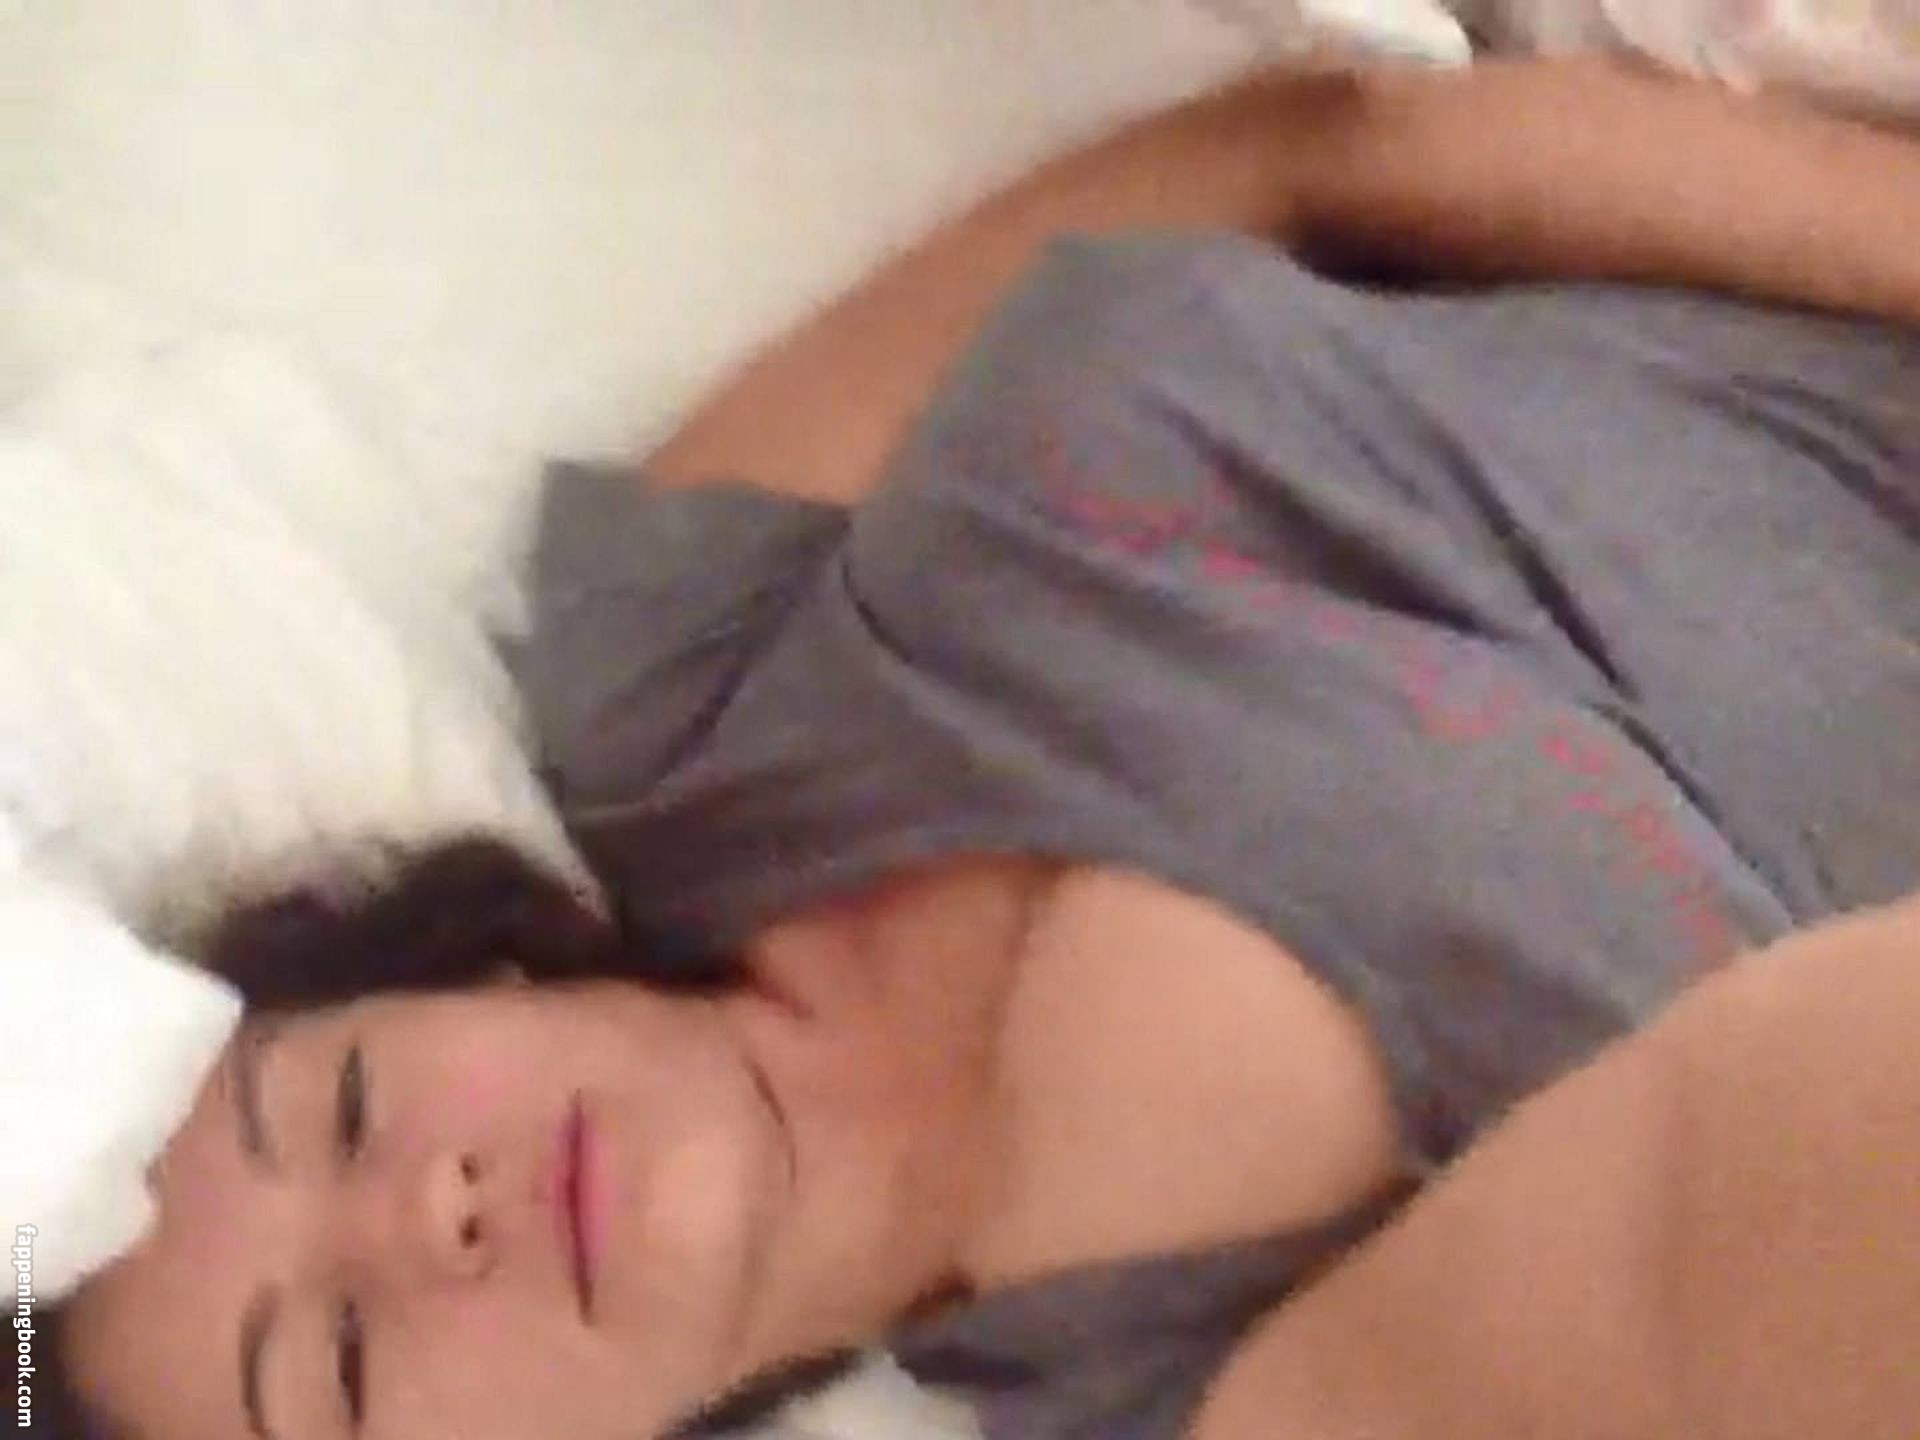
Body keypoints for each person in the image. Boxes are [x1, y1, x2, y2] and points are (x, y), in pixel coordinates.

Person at [43, 53, 1920, 1440]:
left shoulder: (670, 675)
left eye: (349, 1107)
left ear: (471, 980)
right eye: (342, 1362)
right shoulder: (1199, 1383)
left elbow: (1319, 148)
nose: (428, 1211)